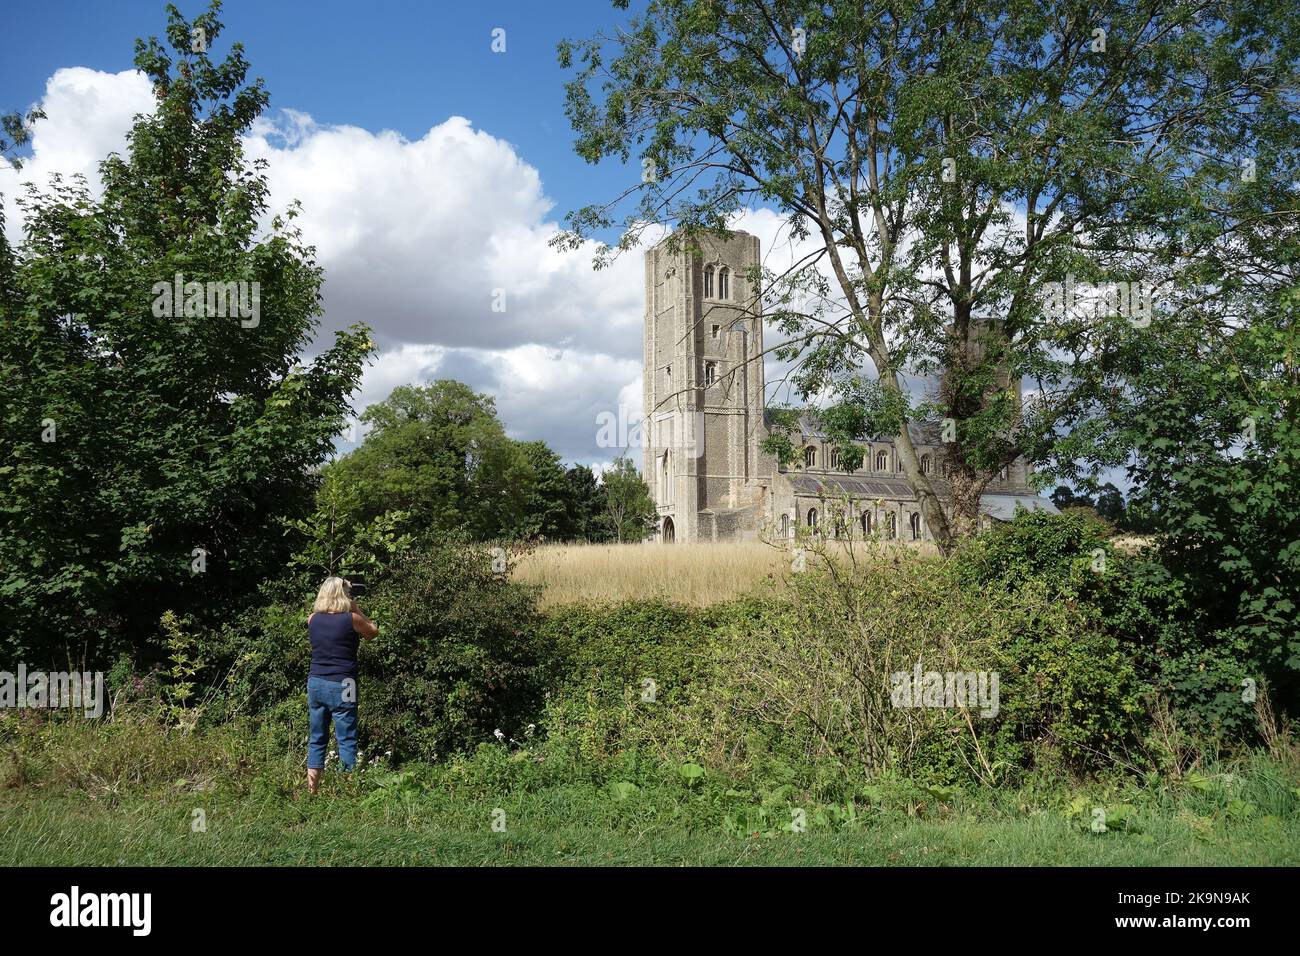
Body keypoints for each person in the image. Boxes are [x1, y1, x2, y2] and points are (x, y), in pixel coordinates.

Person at [306, 576, 378, 794]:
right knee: (346, 737)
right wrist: (356, 608)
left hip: (316, 681)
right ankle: (347, 792)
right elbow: (373, 632)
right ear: (344, 595)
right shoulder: (351, 618)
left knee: (317, 737)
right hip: (344, 683)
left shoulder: (312, 619)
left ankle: (312, 792)